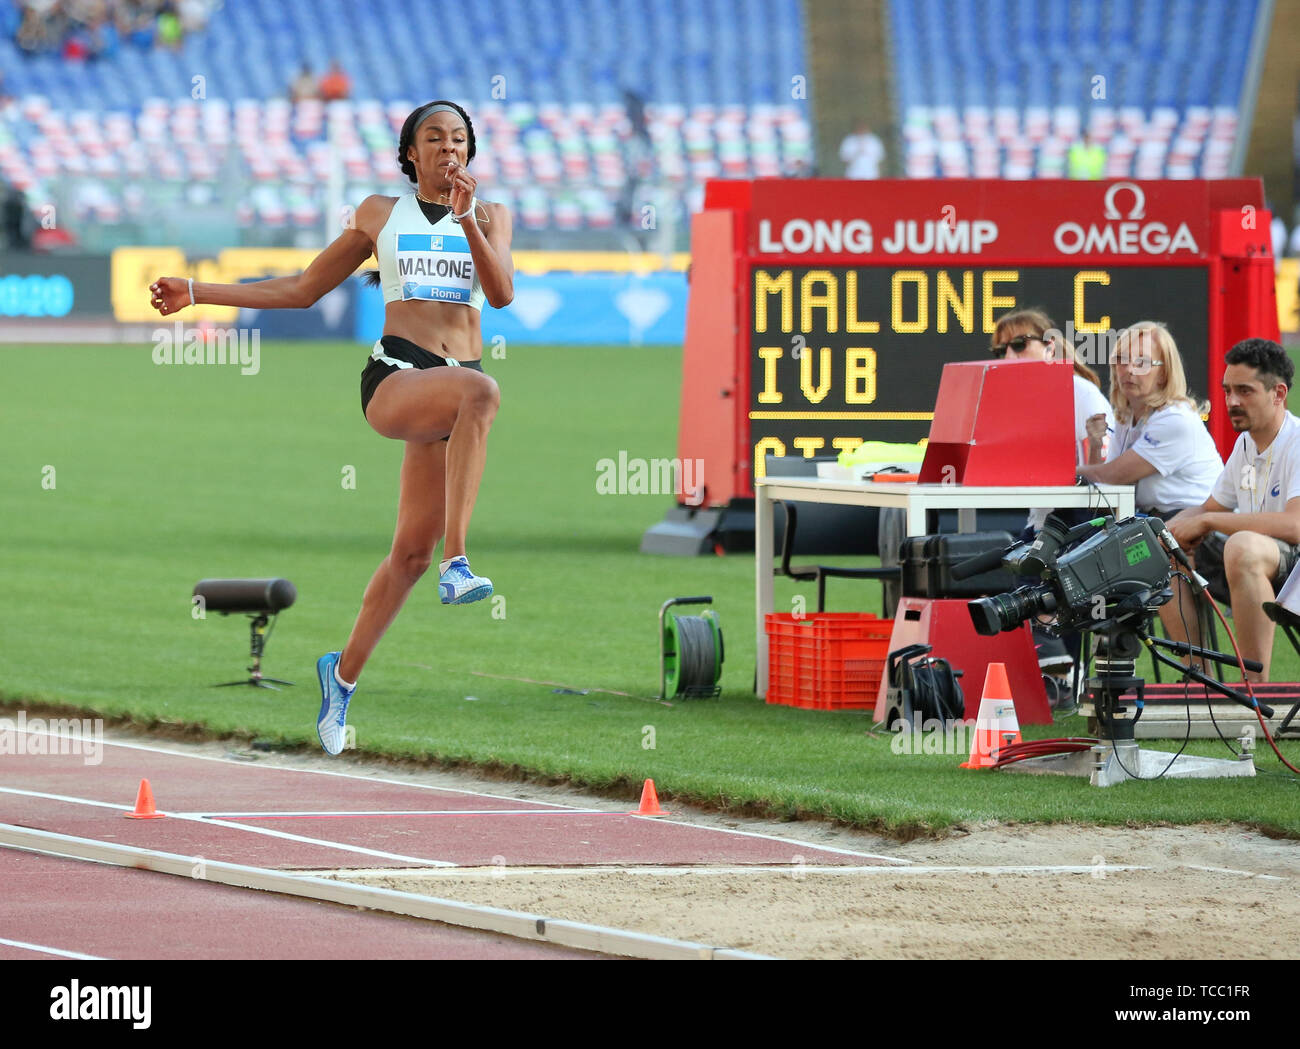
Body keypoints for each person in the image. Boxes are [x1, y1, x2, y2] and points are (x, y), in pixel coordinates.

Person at [148, 100, 514, 752]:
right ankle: (459, 562)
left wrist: (468, 223)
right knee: (482, 393)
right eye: (434, 138)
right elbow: (302, 288)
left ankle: (340, 676)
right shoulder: (380, 213)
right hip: (401, 375)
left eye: (459, 138)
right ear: (410, 154)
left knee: (407, 555)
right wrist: (199, 292)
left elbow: (504, 291)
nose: (448, 148)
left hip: (448, 395)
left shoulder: (489, 216)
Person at [988, 308, 1114, 699]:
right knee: (1016, 556)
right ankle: (1054, 671)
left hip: (1087, 520)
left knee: (1032, 565)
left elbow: (1102, 467)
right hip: (1046, 517)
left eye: (1018, 345)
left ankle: (1059, 670)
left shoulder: (1081, 392)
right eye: (1001, 350)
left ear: (1051, 346)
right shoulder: (1016, 395)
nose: (1008, 357)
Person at [1077, 322, 1223, 652]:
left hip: (1209, 534)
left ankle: (1194, 668)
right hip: (1157, 522)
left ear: (1163, 372)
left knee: (1157, 550)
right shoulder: (1128, 417)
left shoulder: (1174, 419)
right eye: (1121, 360)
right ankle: (1093, 665)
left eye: (1141, 362)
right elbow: (1106, 482)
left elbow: (1112, 476)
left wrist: (1064, 472)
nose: (1128, 369)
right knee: (1087, 547)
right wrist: (1096, 444)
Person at [1167, 339, 1300, 682]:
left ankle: (1254, 691)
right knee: (1164, 547)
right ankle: (1199, 677)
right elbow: (1209, 506)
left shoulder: (1297, 441)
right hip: (1264, 562)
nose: (1232, 401)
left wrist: (1209, 521)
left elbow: (1296, 525)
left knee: (1241, 546)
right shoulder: (1246, 443)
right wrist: (1166, 530)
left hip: (1293, 568)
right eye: (1227, 391)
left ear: (1278, 394)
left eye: (1245, 391)